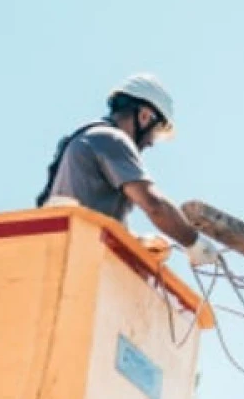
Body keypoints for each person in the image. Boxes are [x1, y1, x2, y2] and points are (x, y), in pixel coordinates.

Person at [37, 74, 218, 266]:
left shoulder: (89, 138)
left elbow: (91, 208)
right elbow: (154, 204)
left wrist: (138, 242)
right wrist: (194, 242)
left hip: (61, 252)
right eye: (154, 133)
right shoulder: (112, 139)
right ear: (144, 116)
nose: (150, 143)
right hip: (81, 257)